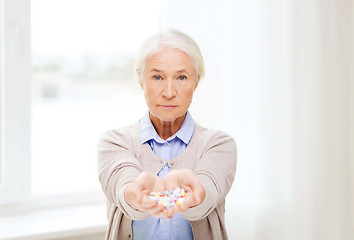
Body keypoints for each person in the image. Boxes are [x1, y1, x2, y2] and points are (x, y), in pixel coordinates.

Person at [97, 29, 237, 240]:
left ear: (195, 83)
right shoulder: (115, 142)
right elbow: (124, 188)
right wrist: (135, 194)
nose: (169, 92)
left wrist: (195, 192)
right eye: (157, 77)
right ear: (141, 81)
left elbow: (207, 193)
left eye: (181, 77)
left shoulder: (219, 144)